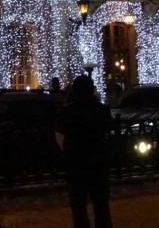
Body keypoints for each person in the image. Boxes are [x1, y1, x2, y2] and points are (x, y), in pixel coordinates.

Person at [54, 75, 113, 228]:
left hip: (76, 162)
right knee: (101, 205)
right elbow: (109, 128)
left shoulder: (66, 111)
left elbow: (59, 131)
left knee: (78, 207)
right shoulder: (101, 110)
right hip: (97, 162)